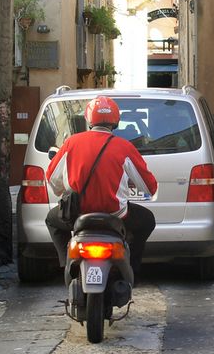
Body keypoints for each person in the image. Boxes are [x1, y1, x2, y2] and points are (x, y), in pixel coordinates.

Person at [45, 96, 158, 279]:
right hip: (116, 215)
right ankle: (131, 267)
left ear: (88, 120)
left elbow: (51, 179)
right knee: (147, 221)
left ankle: (67, 265)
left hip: (77, 214)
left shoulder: (71, 143)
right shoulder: (125, 147)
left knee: (51, 220)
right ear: (116, 121)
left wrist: (63, 192)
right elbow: (148, 187)